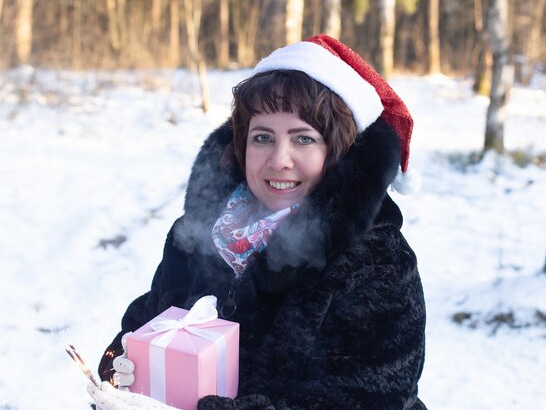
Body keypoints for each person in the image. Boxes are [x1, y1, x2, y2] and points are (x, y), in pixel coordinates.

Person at [88, 34, 426, 410]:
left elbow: (371, 397)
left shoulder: (376, 260)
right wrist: (119, 374)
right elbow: (145, 322)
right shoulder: (199, 235)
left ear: (338, 153)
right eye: (263, 137)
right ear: (241, 144)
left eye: (303, 139)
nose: (279, 159)